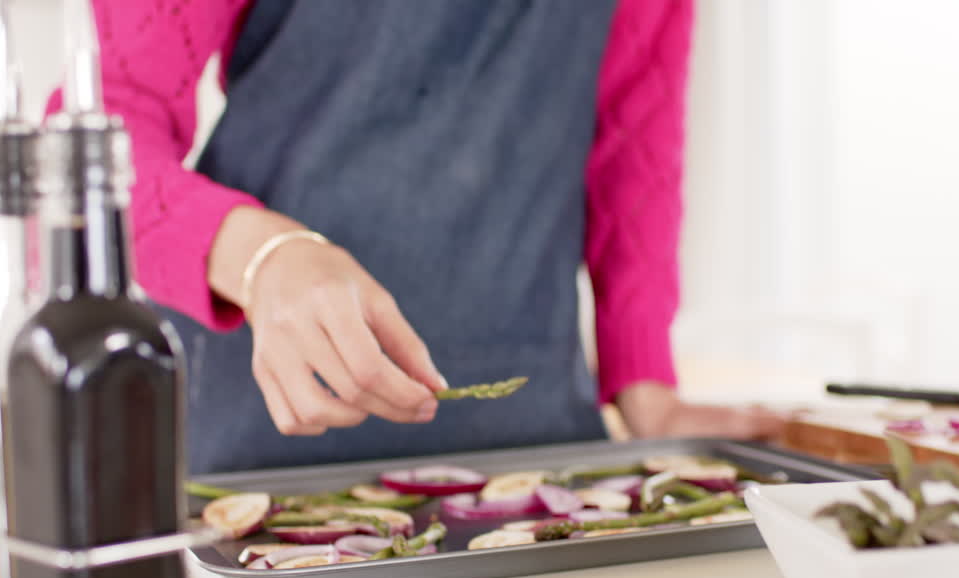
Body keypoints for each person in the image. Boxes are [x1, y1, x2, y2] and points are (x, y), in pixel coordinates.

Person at [69, 0, 782, 474]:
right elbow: (96, 138)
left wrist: (644, 382)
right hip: (257, 444)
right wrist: (262, 256)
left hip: (536, 447)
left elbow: (632, 142)